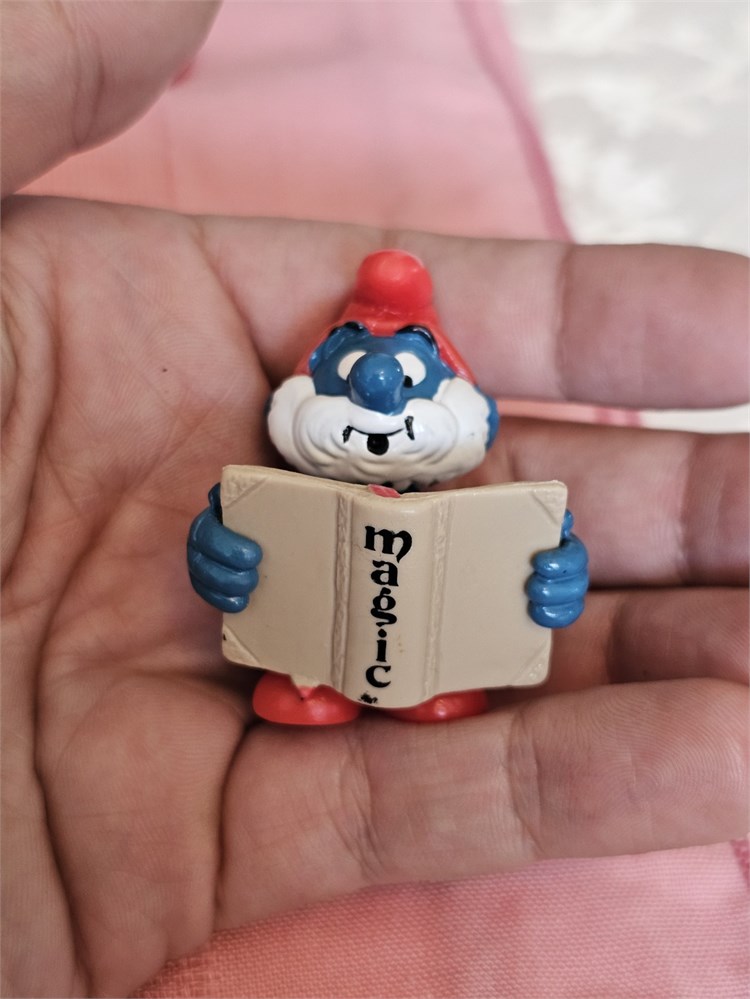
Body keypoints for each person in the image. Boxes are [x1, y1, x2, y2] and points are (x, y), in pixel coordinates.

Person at [2, 3, 747, 997]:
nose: (384, 402)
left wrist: (555, 576)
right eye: (354, 379)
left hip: (441, 644)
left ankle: (435, 690)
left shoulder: (483, 493)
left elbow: (546, 567)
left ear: (466, 410)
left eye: (410, 384)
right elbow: (229, 556)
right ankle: (314, 685)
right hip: (305, 639)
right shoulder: (285, 484)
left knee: (471, 643)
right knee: (297, 627)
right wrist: (222, 551)